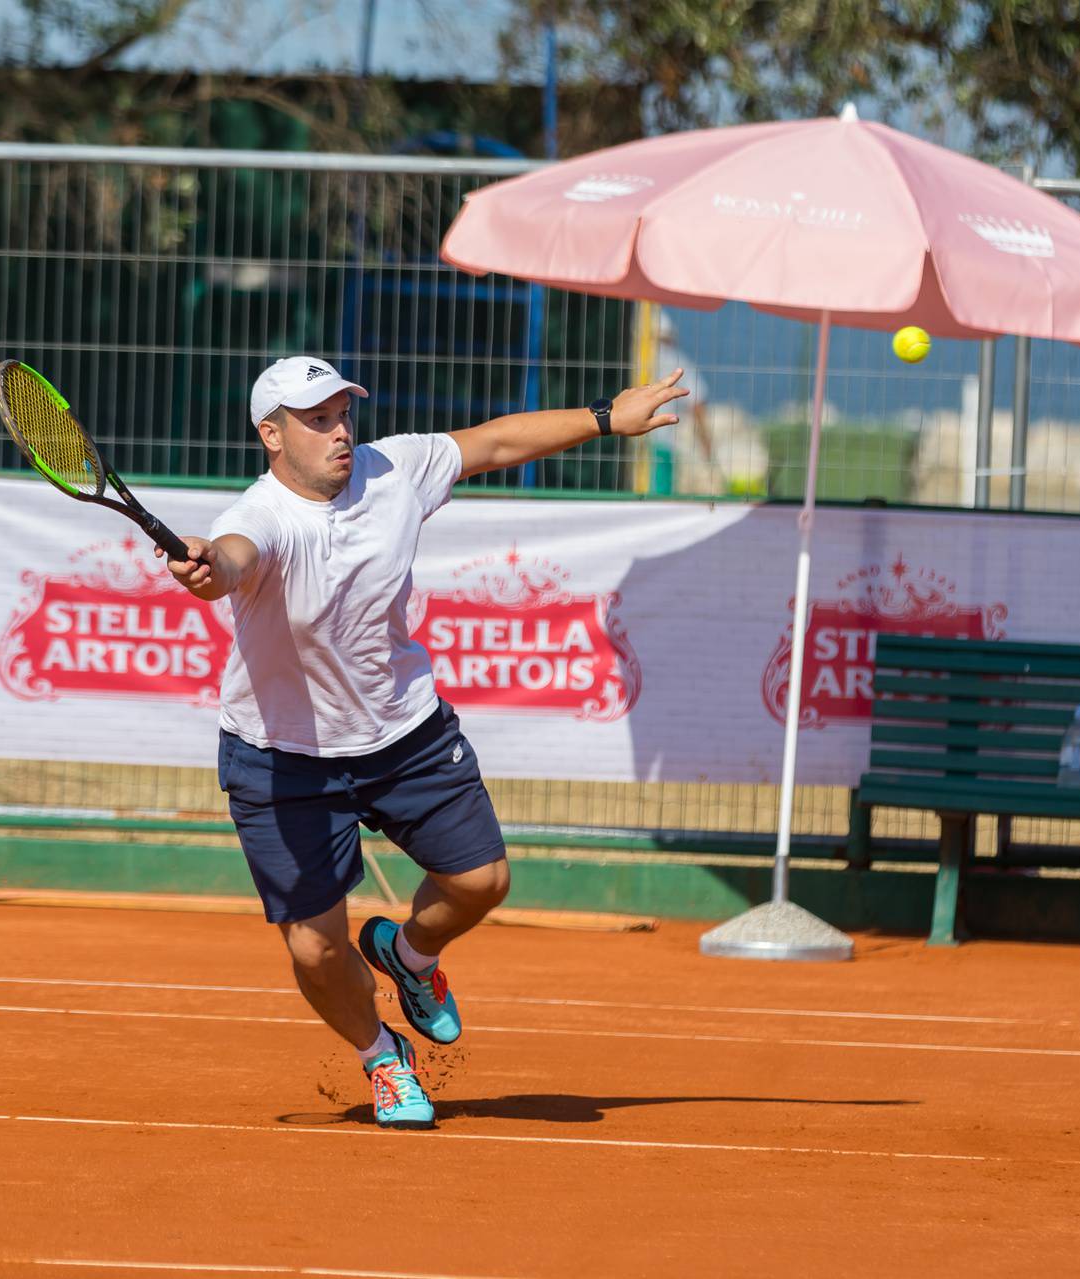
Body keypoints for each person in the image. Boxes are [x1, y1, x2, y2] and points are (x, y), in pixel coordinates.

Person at [161, 355, 687, 1129]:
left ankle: (408, 957)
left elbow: (498, 443)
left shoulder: (393, 469)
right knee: (312, 949)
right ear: (271, 436)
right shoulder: (261, 516)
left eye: (343, 411)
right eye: (317, 419)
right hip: (282, 755)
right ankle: (382, 1057)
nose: (341, 429)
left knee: (483, 882)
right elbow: (234, 558)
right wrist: (210, 569)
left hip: (400, 729)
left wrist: (607, 418)